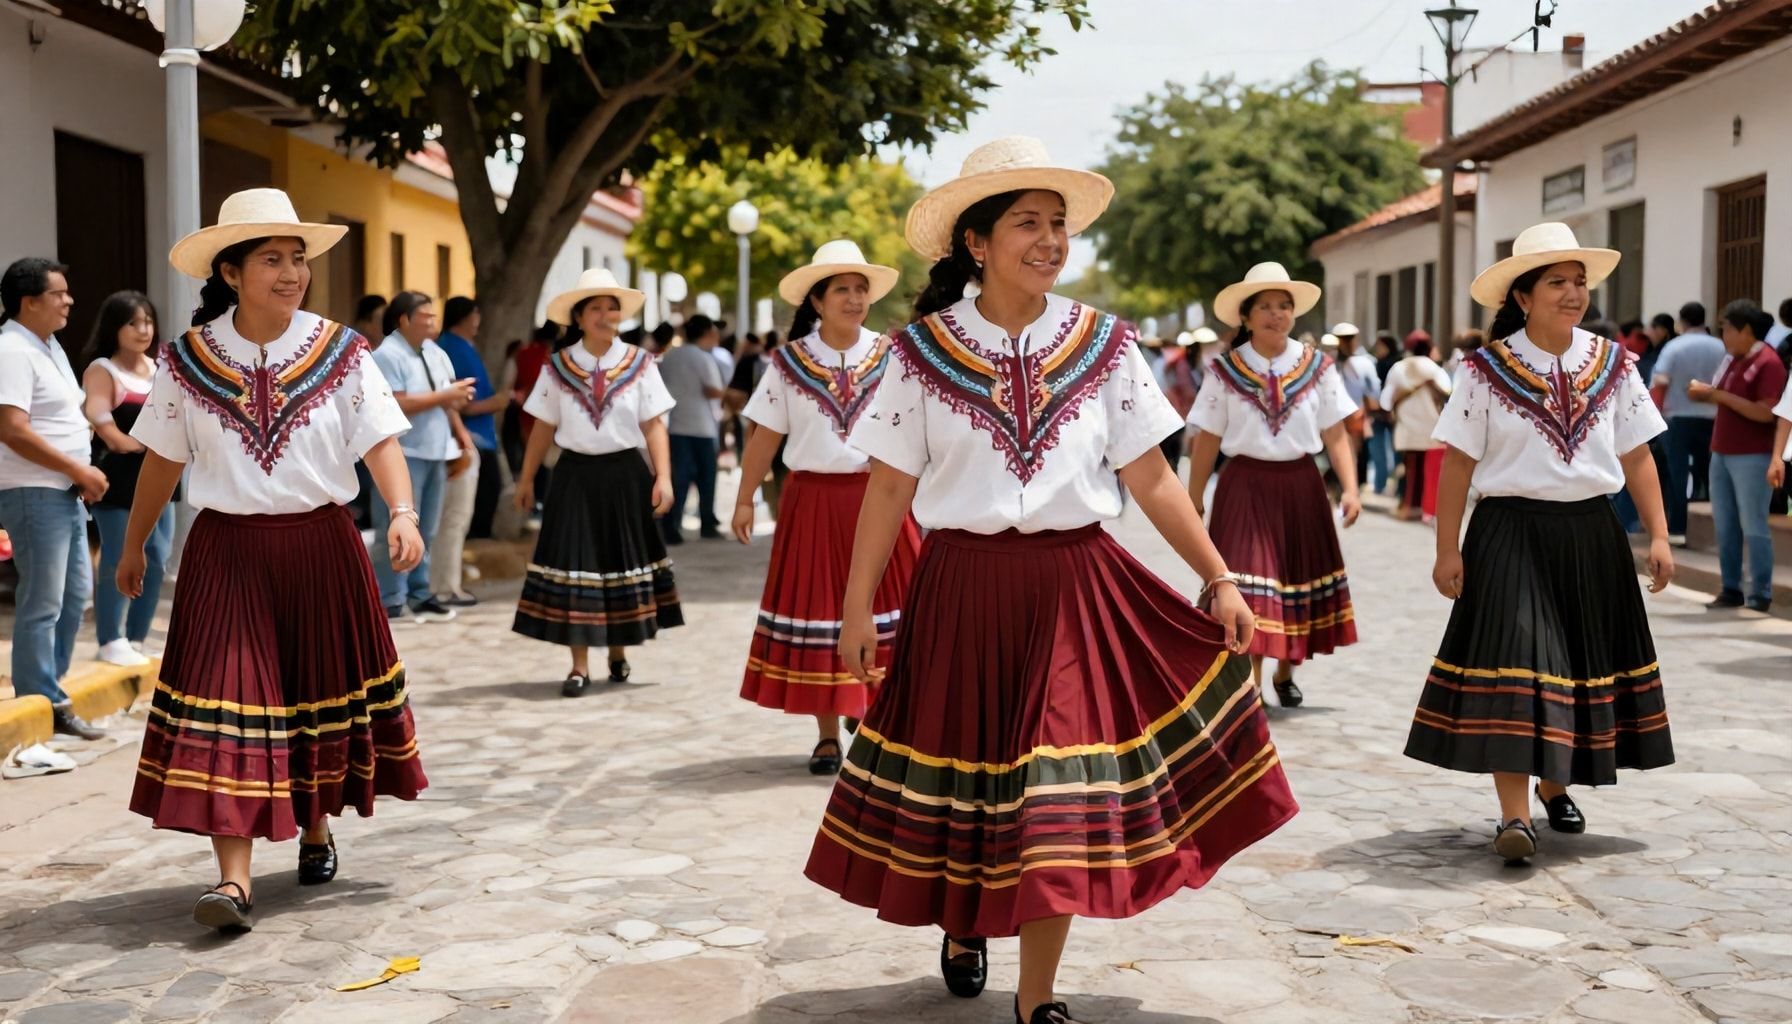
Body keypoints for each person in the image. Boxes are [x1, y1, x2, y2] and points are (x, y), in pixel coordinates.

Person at [802, 137, 1295, 1024]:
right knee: (970, 775)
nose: (1050, 240)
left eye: (1058, 223)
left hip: (1076, 589)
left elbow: (1151, 477)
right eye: (1027, 222)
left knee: (1053, 790)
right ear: (976, 243)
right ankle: (964, 924)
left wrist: (1218, 575)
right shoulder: (917, 353)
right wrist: (855, 609)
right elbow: (888, 488)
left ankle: (1036, 998)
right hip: (960, 590)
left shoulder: (1105, 343)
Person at [123, 187, 427, 931]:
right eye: (271, 259)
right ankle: (233, 882)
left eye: (298, 258)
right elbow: (161, 460)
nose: (292, 273)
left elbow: (379, 439)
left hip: (322, 548)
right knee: (230, 702)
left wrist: (402, 511)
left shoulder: (342, 350)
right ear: (230, 272)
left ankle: (315, 827)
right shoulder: (185, 360)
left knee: (311, 691)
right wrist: (133, 543)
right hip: (226, 554)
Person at [1404, 222, 1673, 863]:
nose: (1573, 293)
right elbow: (1459, 464)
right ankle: (1515, 816)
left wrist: (1661, 534)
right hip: (1510, 533)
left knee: (1576, 663)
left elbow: (1637, 455)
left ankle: (1555, 784)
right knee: (1518, 668)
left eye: (1579, 282)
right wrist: (1447, 548)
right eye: (1557, 282)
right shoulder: (1484, 370)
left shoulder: (1614, 364)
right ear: (1523, 296)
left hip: (1592, 534)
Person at [732, 240, 920, 774]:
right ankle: (827, 735)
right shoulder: (789, 363)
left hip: (880, 498)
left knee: (890, 609)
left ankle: (875, 716)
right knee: (822, 611)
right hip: (812, 502)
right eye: (842, 289)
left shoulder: (893, 356)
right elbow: (765, 436)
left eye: (861, 289)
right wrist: (744, 499)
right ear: (817, 300)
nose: (854, 298)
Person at [1186, 264, 1360, 709]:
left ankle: (1285, 671)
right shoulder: (1224, 371)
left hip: (1301, 486)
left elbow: (1335, 431)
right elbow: (1208, 437)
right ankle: (1253, 686)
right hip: (1244, 486)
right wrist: (1193, 497)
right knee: (1246, 581)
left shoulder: (1319, 367)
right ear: (1245, 317)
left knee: (1293, 579)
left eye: (1284, 305)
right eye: (1264, 306)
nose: (1276, 314)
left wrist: (1351, 488)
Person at [513, 268, 682, 695]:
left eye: (612, 307)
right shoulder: (558, 367)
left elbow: (654, 424)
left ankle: (618, 651)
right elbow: (542, 427)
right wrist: (527, 479)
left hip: (626, 475)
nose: (605, 315)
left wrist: (663, 476)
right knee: (577, 566)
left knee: (619, 562)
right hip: (574, 477)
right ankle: (579, 666)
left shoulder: (641, 364)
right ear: (579, 317)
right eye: (595, 308)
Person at [0, 257, 107, 741]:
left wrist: (78, 469)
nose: (68, 301)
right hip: (34, 489)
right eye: (58, 294)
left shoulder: (48, 346)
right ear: (29, 302)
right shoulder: (12, 350)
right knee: (43, 600)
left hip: (62, 490)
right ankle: (40, 697)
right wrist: (77, 468)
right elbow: (12, 429)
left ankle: (51, 689)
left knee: (73, 594)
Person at [79, 291, 174, 667]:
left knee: (157, 557)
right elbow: (101, 421)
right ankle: (109, 639)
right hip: (118, 477)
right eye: (133, 322)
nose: (143, 330)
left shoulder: (160, 367)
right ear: (114, 327)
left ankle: (136, 637)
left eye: (148, 321)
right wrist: (140, 446)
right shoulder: (103, 369)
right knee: (118, 556)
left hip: (161, 476)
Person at [369, 292, 475, 624]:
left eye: (433, 316)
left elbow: (446, 398)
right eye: (425, 316)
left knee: (427, 528)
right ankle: (391, 597)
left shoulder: (435, 352)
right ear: (403, 319)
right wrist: (445, 396)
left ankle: (419, 592)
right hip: (403, 452)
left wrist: (460, 431)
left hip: (435, 449)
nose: (432, 322)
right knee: (396, 525)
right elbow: (395, 402)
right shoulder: (387, 354)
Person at [1689, 300, 1785, 612]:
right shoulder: (1732, 360)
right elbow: (1723, 395)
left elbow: (1766, 412)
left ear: (1746, 331)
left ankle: (1760, 591)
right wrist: (1707, 393)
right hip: (1722, 450)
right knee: (1726, 524)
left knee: (1753, 525)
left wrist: (1718, 396)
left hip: (1752, 454)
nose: (1725, 336)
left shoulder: (1768, 363)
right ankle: (1731, 588)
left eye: (1728, 329)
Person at [431, 296, 508, 602]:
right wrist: (494, 404)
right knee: (453, 517)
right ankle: (443, 585)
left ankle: (446, 583)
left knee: (457, 517)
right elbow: (458, 403)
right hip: (465, 439)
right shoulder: (449, 349)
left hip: (471, 437)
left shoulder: (454, 347)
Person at [1652, 301, 1725, 544]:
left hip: (1678, 418)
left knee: (1678, 474)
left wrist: (1655, 415)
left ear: (1681, 321)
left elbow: (1660, 382)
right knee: (1711, 474)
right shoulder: (1720, 347)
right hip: (1713, 418)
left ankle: (1678, 528)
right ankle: (1714, 529)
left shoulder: (1674, 347)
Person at [657, 313, 726, 542]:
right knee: (707, 478)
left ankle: (671, 525)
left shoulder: (670, 356)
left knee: (679, 479)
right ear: (708, 333)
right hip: (702, 426)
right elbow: (712, 390)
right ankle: (707, 523)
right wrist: (729, 395)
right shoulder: (704, 358)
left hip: (676, 424)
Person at [1380, 330, 1451, 520]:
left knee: (1410, 470)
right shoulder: (1435, 369)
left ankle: (1408, 506)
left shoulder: (1399, 368)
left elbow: (1386, 401)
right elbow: (1448, 394)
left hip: (1407, 429)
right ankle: (1424, 508)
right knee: (1428, 472)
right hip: (1431, 428)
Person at [1332, 321, 1380, 487]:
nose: (1346, 342)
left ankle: (1350, 485)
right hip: (1334, 414)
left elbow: (1373, 390)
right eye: (1343, 338)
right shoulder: (1330, 362)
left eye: (1349, 338)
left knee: (1352, 451)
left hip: (1355, 414)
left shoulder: (1365, 362)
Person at [1155, 330, 1200, 472]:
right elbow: (1188, 391)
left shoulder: (1163, 362)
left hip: (1164, 413)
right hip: (1177, 414)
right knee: (1174, 456)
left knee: (1168, 455)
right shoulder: (1181, 364)